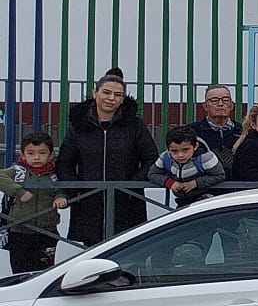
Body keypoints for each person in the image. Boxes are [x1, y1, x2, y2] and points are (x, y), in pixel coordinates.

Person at [56, 70, 159, 246]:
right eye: (106, 92)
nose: (111, 98)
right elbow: (65, 162)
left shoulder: (134, 125)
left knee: (128, 253)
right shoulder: (77, 127)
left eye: (118, 95)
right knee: (93, 260)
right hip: (88, 205)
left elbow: (151, 159)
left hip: (127, 204)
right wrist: (77, 191)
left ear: (122, 99)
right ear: (95, 93)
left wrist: (131, 186)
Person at [1, 132, 67, 273]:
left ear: (51, 155)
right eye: (31, 153)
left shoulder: (54, 175)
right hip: (19, 231)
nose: (36, 157)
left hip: (47, 232)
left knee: (45, 271)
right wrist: (19, 192)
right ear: (23, 155)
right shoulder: (17, 171)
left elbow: (61, 189)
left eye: (42, 153)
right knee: (21, 272)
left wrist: (61, 197)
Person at [147, 126, 227, 208]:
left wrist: (195, 183)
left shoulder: (205, 157)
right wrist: (170, 183)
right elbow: (152, 174)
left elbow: (220, 175)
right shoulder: (165, 158)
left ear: (195, 146)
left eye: (185, 150)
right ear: (168, 149)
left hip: (205, 199)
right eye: (174, 151)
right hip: (182, 201)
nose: (180, 155)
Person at [184, 84, 240, 155]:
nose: (220, 104)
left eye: (225, 100)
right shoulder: (191, 131)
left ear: (232, 105)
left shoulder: (242, 131)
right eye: (214, 100)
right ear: (205, 106)